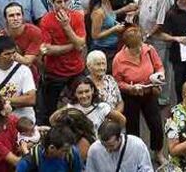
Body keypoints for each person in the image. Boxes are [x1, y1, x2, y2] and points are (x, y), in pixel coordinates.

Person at [112, 25, 166, 165]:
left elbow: (159, 66)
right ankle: (136, 156)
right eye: (136, 48)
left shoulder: (149, 50)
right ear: (127, 46)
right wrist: (130, 88)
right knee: (132, 129)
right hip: (131, 97)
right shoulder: (119, 59)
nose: (140, 49)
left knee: (156, 125)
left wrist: (159, 76)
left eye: (140, 45)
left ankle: (158, 153)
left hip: (149, 93)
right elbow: (117, 82)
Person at [39, 0, 86, 122]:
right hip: (55, 72)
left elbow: (80, 45)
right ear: (53, 3)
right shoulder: (46, 20)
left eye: (65, 1)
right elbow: (47, 49)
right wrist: (73, 45)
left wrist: (66, 26)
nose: (63, 5)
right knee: (50, 110)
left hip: (76, 70)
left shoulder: (77, 17)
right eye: (59, 2)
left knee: (82, 105)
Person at [50, 76, 125, 135]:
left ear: (92, 90)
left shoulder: (101, 107)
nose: (84, 95)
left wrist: (113, 135)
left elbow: (122, 120)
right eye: (80, 92)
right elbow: (52, 119)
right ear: (75, 94)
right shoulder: (71, 108)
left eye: (87, 91)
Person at [0, 35, 36, 120]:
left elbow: (31, 99)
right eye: (7, 54)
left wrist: (3, 100)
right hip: (1, 122)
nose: (12, 57)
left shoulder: (24, 70)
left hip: (24, 120)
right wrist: (21, 100)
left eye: (13, 53)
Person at [86, 121, 153, 172]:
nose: (107, 150)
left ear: (119, 138)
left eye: (111, 146)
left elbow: (147, 169)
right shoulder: (94, 150)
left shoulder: (137, 145)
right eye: (104, 145)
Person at [16, 125, 84, 172]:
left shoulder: (72, 153)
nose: (67, 152)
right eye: (64, 151)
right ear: (52, 148)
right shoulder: (32, 159)